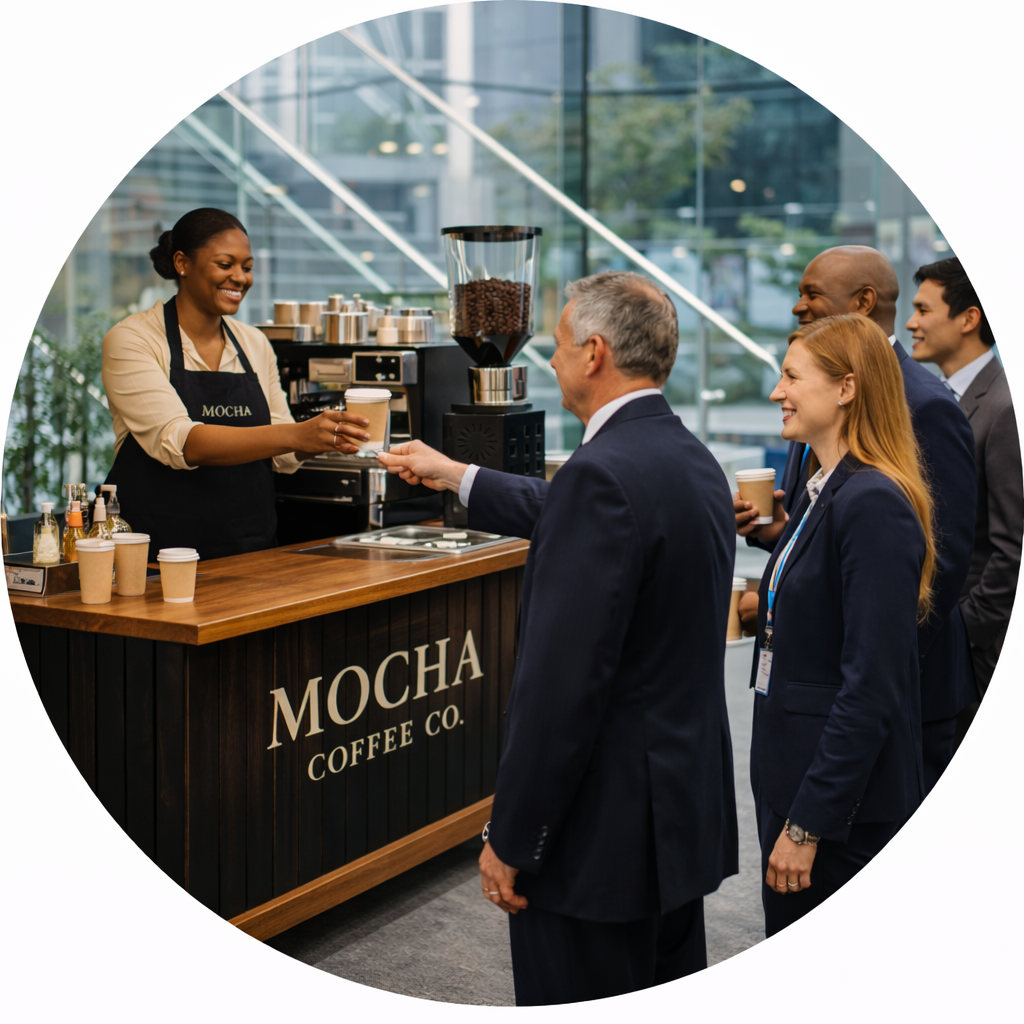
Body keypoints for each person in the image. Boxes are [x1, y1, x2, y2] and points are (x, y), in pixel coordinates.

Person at [379, 271, 738, 1005]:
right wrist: (456, 474)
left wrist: (513, 836)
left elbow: (560, 691)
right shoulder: (691, 459)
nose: (550, 358)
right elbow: (576, 511)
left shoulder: (600, 476)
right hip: (676, 819)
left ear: (595, 353)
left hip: (600, 838)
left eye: (561, 342)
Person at [736, 245, 976, 792]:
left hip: (886, 692)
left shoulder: (924, 404)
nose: (798, 306)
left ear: (864, 301)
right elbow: (837, 536)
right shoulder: (816, 392)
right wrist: (783, 535)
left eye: (812, 294)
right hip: (817, 688)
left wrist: (872, 674)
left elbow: (937, 561)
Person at [751, 313, 932, 935]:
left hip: (836, 810)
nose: (777, 392)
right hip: (794, 772)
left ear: (846, 388)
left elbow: (872, 686)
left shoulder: (872, 500)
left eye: (791, 377)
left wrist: (808, 823)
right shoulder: (822, 489)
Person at [101, 208, 370, 560]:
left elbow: (282, 454)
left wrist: (323, 438)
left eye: (247, 267)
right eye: (225, 264)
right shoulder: (133, 339)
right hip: (159, 557)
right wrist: (297, 434)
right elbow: (180, 441)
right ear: (182, 263)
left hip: (250, 553)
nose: (240, 278)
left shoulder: (254, 343)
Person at [907, 257, 1021, 738]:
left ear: (969, 318)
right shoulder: (934, 397)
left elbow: (1012, 547)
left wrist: (964, 631)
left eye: (923, 309)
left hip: (972, 652)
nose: (910, 323)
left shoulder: (1003, 407)